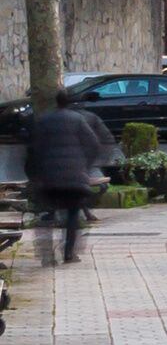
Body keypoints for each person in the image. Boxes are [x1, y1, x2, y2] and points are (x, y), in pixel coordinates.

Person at [28, 98, 114, 263]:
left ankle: (46, 255)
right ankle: (69, 253)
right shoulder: (78, 119)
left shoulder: (45, 120)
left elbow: (33, 148)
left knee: (43, 212)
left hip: (50, 179)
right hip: (74, 178)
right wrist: (85, 165)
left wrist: (38, 171)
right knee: (73, 215)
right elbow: (94, 144)